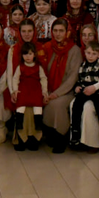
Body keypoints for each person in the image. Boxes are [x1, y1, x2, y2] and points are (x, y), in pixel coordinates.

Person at [39, 18, 83, 153]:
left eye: (61, 31)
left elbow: (73, 77)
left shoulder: (75, 50)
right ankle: (49, 133)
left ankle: (61, 137)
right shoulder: (47, 47)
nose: (58, 34)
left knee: (56, 104)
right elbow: (41, 71)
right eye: (55, 30)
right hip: (47, 89)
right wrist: (45, 92)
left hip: (67, 91)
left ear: (67, 32)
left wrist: (56, 93)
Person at [69, 41, 99, 155]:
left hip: (98, 93)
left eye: (94, 54)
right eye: (88, 53)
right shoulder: (83, 66)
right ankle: (75, 134)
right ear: (85, 53)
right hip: (85, 92)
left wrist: (94, 88)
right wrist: (77, 87)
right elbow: (80, 80)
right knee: (76, 106)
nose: (90, 56)